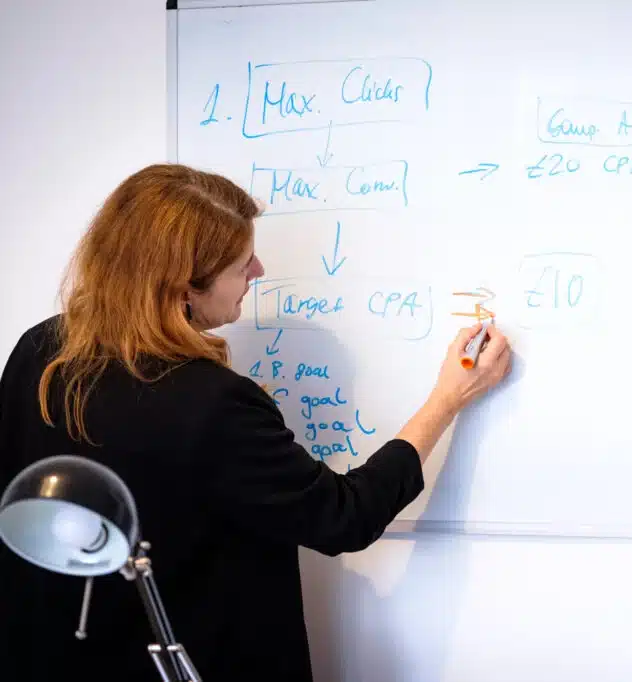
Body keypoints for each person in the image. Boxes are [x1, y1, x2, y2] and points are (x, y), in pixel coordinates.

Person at [0, 163, 512, 682]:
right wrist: (447, 399)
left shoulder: (40, 352)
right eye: (242, 263)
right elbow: (344, 516)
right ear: (184, 287)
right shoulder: (211, 403)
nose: (259, 270)